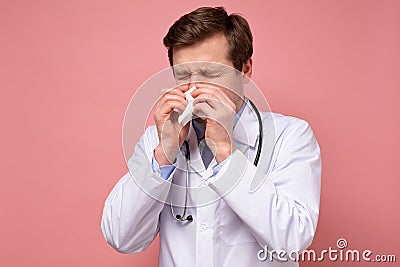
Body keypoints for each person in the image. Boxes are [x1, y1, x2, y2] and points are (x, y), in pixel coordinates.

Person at [101, 6, 321, 267]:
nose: (194, 89)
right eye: (183, 76)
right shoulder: (158, 140)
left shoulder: (290, 136)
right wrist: (164, 155)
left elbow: (292, 239)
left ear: (245, 69)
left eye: (210, 73)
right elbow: (120, 237)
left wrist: (226, 153)